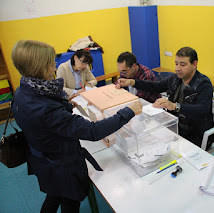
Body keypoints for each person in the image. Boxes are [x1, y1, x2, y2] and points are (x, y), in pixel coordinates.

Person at [11, 40, 142, 213]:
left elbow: (49, 120)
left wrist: (64, 109)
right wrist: (128, 112)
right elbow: (92, 131)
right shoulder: (44, 108)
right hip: (60, 165)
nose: (54, 68)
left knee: (54, 194)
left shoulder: (23, 91)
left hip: (43, 158)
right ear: (38, 67)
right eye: (51, 64)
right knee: (70, 201)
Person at [117, 47, 214, 150]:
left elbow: (202, 110)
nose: (178, 68)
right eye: (176, 64)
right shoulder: (175, 79)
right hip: (175, 126)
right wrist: (132, 82)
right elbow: (155, 86)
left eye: (183, 65)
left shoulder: (204, 84)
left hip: (195, 133)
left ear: (194, 64)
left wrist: (174, 106)